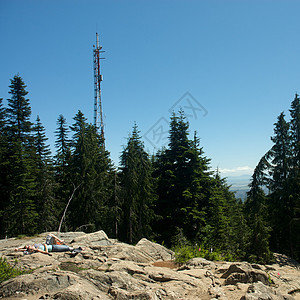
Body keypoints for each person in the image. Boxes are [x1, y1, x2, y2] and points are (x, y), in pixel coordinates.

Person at [14, 233, 83, 256]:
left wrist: (18, 249)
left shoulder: (35, 247)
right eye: (30, 248)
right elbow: (46, 252)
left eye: (29, 246)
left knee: (49, 235)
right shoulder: (37, 250)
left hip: (51, 245)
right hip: (53, 248)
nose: (30, 246)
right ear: (31, 250)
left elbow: (24, 248)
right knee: (67, 248)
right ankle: (75, 250)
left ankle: (60, 241)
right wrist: (44, 246)